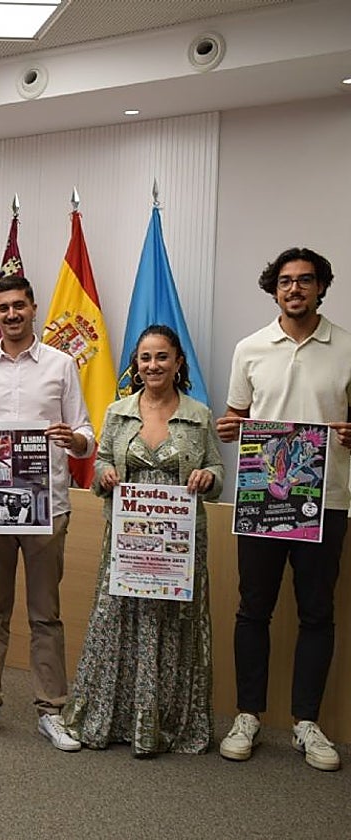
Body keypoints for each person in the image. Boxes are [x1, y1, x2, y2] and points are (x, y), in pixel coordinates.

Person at [216, 247, 351, 772]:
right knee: (253, 608)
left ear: (321, 287)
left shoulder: (346, 348)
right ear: (274, 289)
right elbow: (235, 416)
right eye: (286, 282)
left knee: (318, 613)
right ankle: (248, 714)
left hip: (328, 499)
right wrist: (229, 428)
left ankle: (306, 723)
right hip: (261, 501)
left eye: (305, 281)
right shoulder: (250, 348)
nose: (295, 289)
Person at [61, 325, 223, 756]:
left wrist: (207, 478)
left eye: (162, 357)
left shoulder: (199, 414)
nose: (153, 365)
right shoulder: (117, 412)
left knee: (173, 627)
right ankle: (115, 719)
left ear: (178, 362)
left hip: (179, 547)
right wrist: (105, 474)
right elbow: (101, 467)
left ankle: (167, 723)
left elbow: (217, 474)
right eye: (145, 358)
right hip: (128, 542)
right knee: (120, 622)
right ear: (136, 363)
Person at [0, 275, 94, 751]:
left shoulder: (62, 365)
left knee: (45, 614)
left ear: (34, 308)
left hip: (45, 507)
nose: (11, 314)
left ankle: (51, 710)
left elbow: (86, 432)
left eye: (18, 306)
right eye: (2, 308)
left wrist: (75, 441)